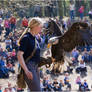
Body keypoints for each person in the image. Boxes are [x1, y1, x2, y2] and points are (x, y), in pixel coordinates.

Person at [17, 18, 43, 91]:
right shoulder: (26, 38)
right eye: (40, 27)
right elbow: (19, 55)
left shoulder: (35, 39)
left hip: (35, 67)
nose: (41, 29)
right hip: (29, 67)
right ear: (35, 26)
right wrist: (26, 70)